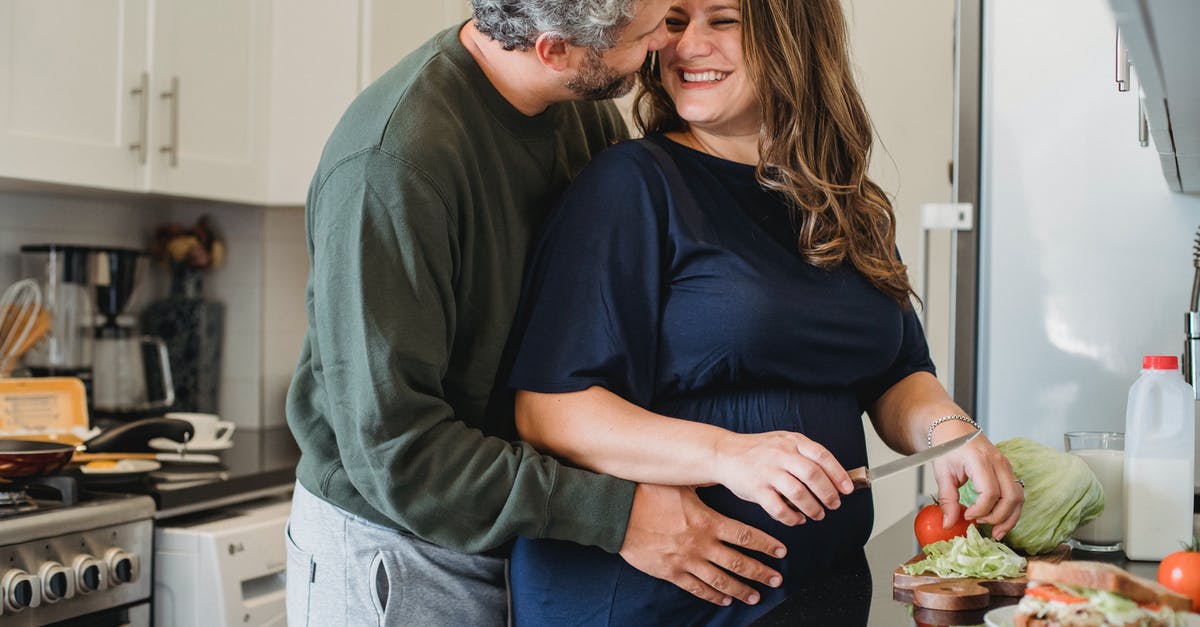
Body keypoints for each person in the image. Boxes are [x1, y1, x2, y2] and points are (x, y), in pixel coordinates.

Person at [505, 0, 1026, 624]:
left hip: (821, 590)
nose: (687, 46)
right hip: (656, 601)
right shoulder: (630, 185)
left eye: (722, 21)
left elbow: (894, 372)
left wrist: (949, 435)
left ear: (794, 38)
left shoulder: (847, 202)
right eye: (674, 22)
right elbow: (548, 409)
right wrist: (730, 455)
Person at [284, 1, 797, 625]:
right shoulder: (392, 167)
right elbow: (399, 453)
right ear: (555, 49)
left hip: (526, 537)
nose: (669, 43)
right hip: (404, 551)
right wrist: (617, 512)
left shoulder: (579, 110)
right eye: (649, 32)